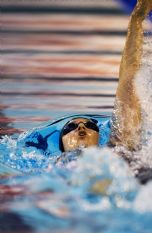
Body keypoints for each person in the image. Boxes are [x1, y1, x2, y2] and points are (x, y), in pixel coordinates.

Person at [59, 0, 152, 153]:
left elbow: (128, 82)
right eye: (71, 127)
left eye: (90, 126)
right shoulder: (52, 169)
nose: (81, 127)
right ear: (61, 143)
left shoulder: (117, 150)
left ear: (99, 137)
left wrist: (138, 16)